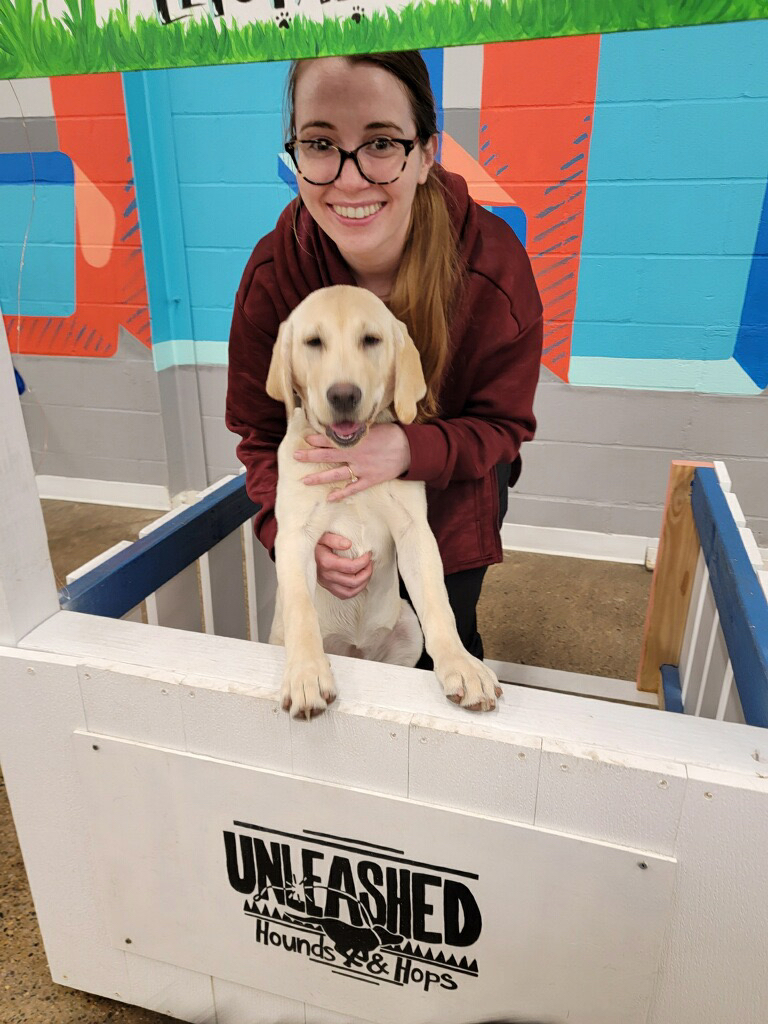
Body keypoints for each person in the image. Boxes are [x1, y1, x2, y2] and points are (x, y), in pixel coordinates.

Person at [226, 51, 543, 667]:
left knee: (439, 657)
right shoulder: (273, 278)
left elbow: (505, 427)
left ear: (426, 152)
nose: (349, 179)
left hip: (450, 500)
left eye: (380, 143)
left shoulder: (493, 269)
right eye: (320, 143)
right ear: (294, 153)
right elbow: (260, 435)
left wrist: (407, 449)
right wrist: (285, 533)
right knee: (330, 676)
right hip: (325, 510)